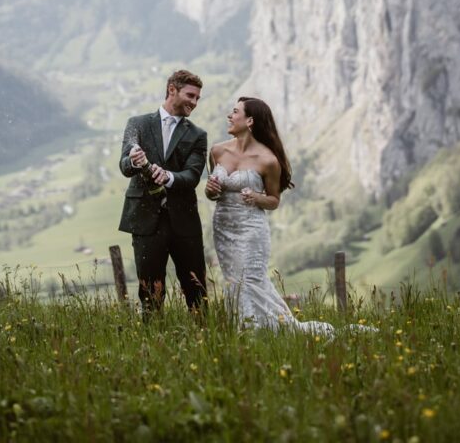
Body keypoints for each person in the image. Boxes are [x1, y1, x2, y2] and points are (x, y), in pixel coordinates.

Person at [205, 95, 335, 335]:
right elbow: (213, 193)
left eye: (235, 112)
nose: (229, 116)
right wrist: (210, 190)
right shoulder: (217, 151)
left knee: (251, 281)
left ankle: (270, 330)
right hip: (223, 228)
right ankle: (249, 330)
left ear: (250, 120)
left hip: (251, 230)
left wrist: (256, 198)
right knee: (234, 282)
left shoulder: (268, 160)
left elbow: (274, 201)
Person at [118, 69, 208, 313]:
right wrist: (135, 161)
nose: (194, 102)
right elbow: (124, 166)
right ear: (172, 90)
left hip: (184, 222)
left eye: (197, 98)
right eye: (191, 95)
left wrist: (168, 177)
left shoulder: (198, 135)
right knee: (149, 292)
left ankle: (206, 337)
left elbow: (192, 175)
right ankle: (151, 342)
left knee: (196, 290)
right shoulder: (137, 124)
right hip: (146, 221)